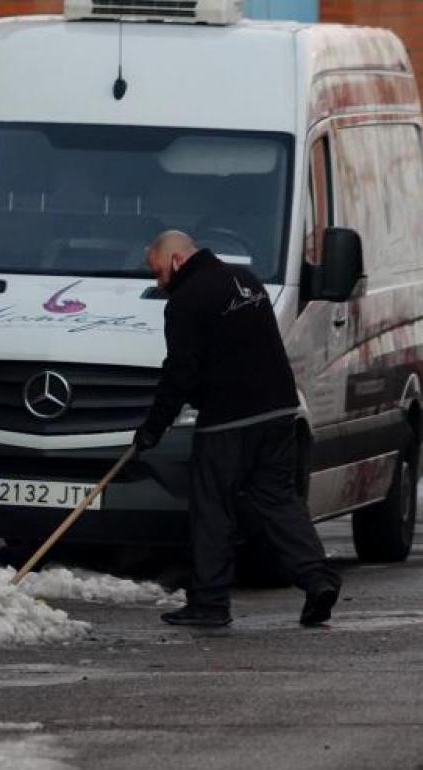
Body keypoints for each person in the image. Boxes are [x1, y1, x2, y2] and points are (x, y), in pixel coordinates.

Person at [133, 230, 341, 627]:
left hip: (227, 420)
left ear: (176, 260)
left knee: (212, 509)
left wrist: (152, 429)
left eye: (158, 272)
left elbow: (179, 373)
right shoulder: (246, 281)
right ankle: (318, 579)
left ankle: (210, 603)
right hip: (279, 409)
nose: (158, 283)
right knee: (279, 500)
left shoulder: (186, 301)